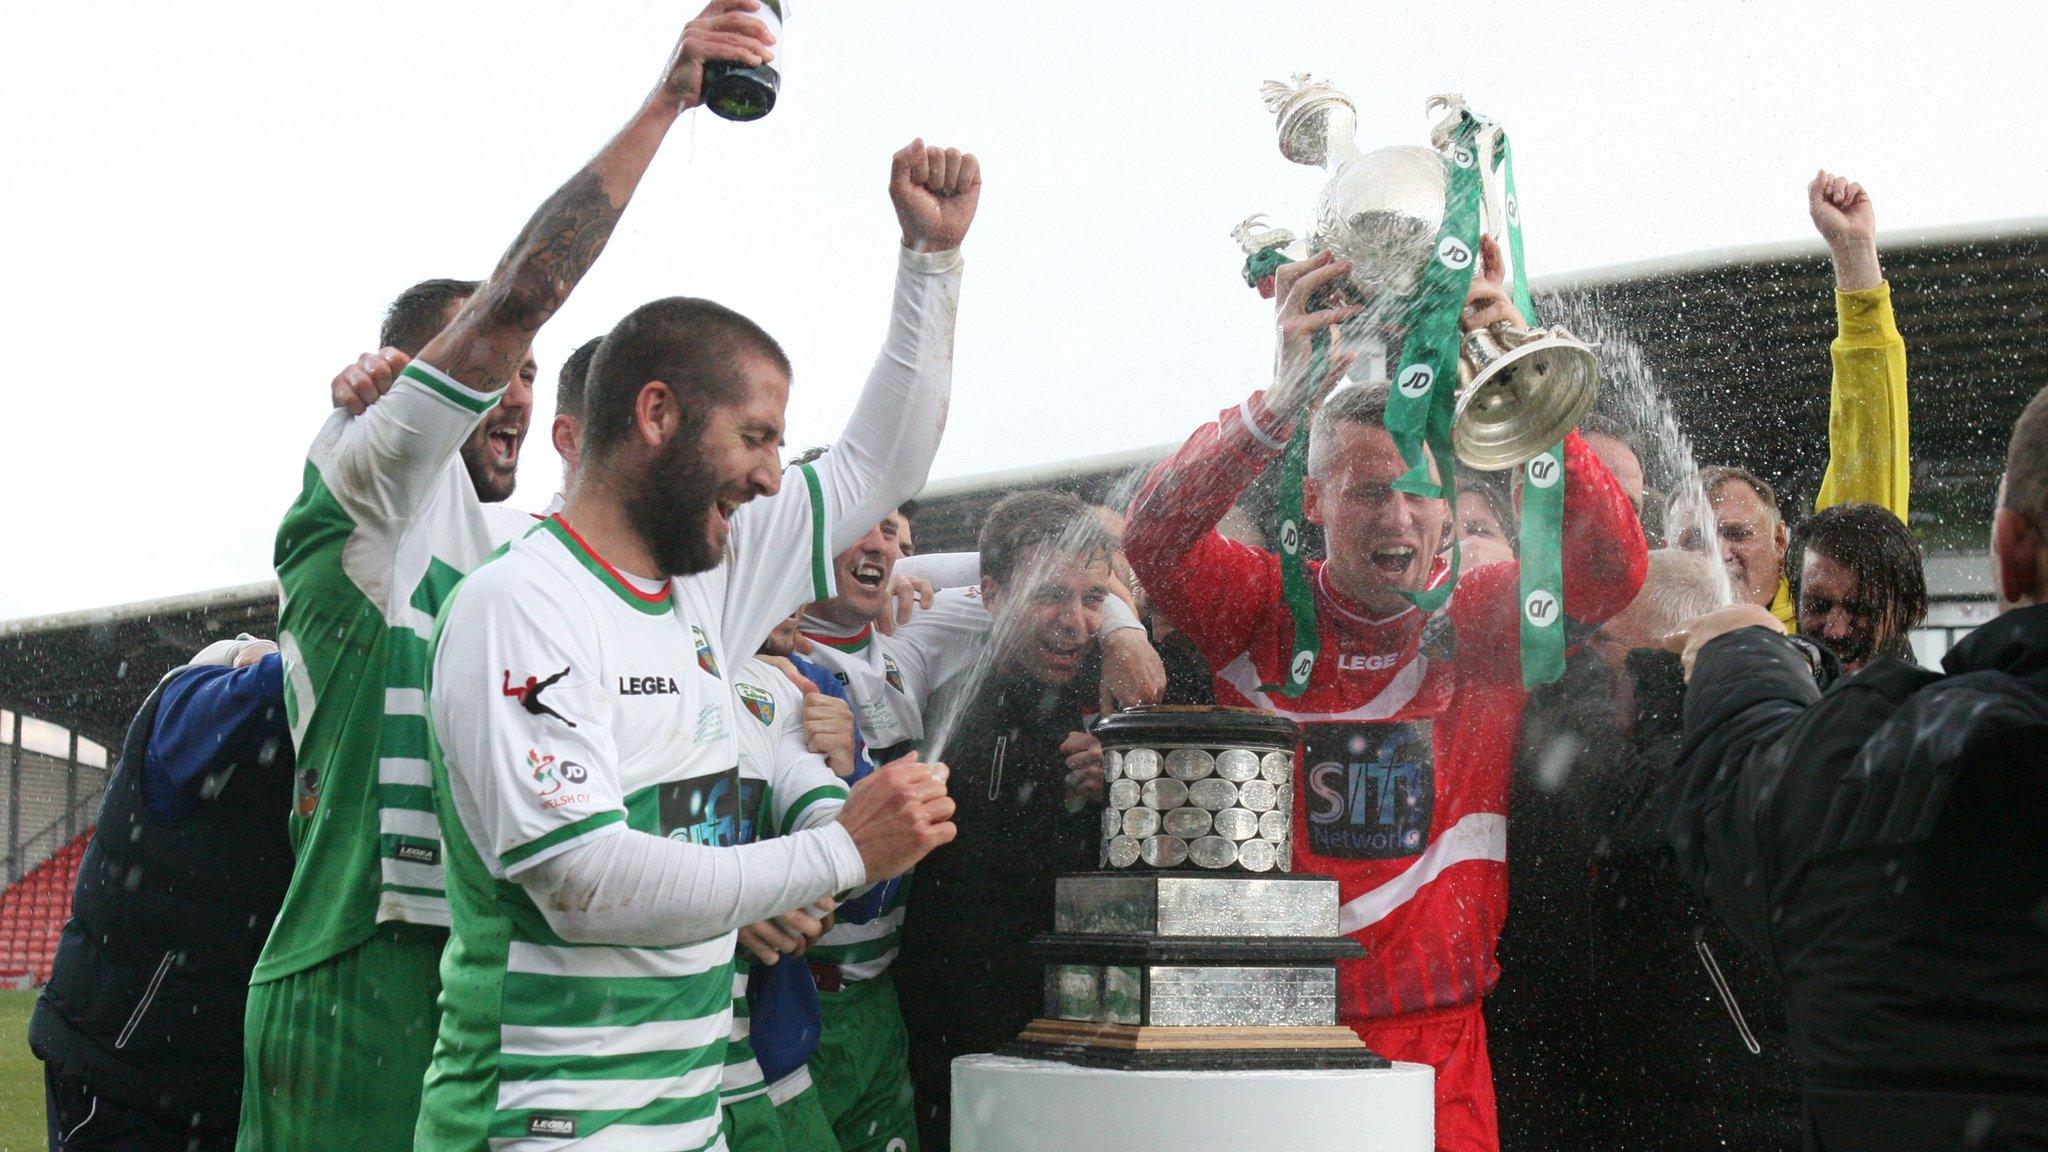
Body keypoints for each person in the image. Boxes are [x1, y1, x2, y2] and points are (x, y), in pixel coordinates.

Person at [240, 9, 785, 1149]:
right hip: (358, 955)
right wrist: (665, 103)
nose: (518, 389)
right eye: (493, 368)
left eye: (536, 376)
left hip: (485, 970)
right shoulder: (364, 494)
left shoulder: (527, 571)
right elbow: (515, 299)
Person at [420, 94, 980, 1145]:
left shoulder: (706, 584)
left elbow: (877, 465)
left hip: (685, 1116)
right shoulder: (518, 605)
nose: (776, 476)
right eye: (757, 437)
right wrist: (837, 854)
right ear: (657, 416)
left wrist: (930, 264)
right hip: (544, 1128)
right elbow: (585, 878)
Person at [1123, 245, 1647, 1152]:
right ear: (1316, 502)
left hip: (1436, 1046)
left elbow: (1611, 571)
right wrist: (1276, 404)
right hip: (1272, 1034)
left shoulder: (1478, 625)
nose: (1399, 517)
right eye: (1369, 491)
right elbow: (1154, 538)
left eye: (1420, 490)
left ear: (1450, 505)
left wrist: (1516, 378)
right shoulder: (1258, 609)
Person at [1657, 387, 2048, 1149]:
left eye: (1856, 608)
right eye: (1817, 609)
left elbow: (1760, 811)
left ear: (2007, 548)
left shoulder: (1944, 748)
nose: (1835, 629)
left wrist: (1741, 651)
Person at [1490, 550, 1804, 1151]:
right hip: (1669, 1097)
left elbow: (1630, 805)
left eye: (1603, 646)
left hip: (1736, 1106)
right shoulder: (1727, 727)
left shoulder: (1719, 752)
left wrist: (1589, 675)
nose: (1594, 666)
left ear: (1666, 654)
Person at [892, 491, 1120, 1152]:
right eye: (1050, 596)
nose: (1075, 622)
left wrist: (1128, 791)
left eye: (1094, 599)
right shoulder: (934, 673)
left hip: (1083, 1040)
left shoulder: (1127, 694)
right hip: (949, 1041)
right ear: (988, 594)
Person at [30, 637, 292, 1152]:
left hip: (193, 1083)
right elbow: (282, 685)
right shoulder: (183, 701)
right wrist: (292, 657)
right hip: (120, 1075)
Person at [1672, 170, 1910, 626]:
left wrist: (1853, 253)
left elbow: (1870, 439)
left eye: (1736, 533)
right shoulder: (1644, 650)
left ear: (1781, 543)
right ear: (1664, 554)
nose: (1719, 554)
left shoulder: (1825, 625)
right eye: (1693, 542)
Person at [721, 642, 861, 1152]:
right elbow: (571, 867)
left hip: (751, 1067)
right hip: (599, 1078)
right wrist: (736, 901)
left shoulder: (776, 685)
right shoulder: (589, 644)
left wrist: (812, 892)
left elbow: (837, 833)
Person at [1788, 501, 1928, 673]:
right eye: (1818, 606)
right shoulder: (1769, 692)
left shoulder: (1937, 699)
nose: (1835, 631)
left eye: (1860, 609)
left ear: (1910, 613)